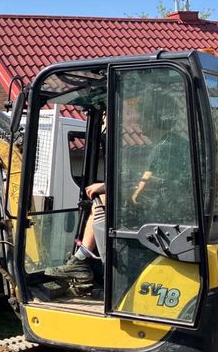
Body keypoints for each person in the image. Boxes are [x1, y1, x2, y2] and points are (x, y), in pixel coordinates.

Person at [44, 102, 188, 285]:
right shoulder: (173, 143)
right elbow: (149, 181)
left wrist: (109, 189)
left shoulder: (163, 149)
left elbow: (140, 193)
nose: (139, 121)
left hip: (164, 210)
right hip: (174, 206)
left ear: (155, 119)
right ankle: (83, 259)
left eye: (143, 117)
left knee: (103, 200)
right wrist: (109, 184)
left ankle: (82, 260)